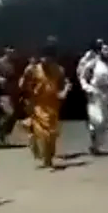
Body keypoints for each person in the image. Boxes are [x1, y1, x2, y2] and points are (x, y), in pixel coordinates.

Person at [19, 40, 69, 169]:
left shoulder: (59, 70)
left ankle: (48, 157)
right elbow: (23, 85)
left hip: (53, 106)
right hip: (38, 105)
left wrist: (64, 92)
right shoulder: (34, 69)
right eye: (44, 56)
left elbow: (64, 85)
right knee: (43, 133)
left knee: (52, 134)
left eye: (49, 57)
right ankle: (39, 148)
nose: (45, 59)